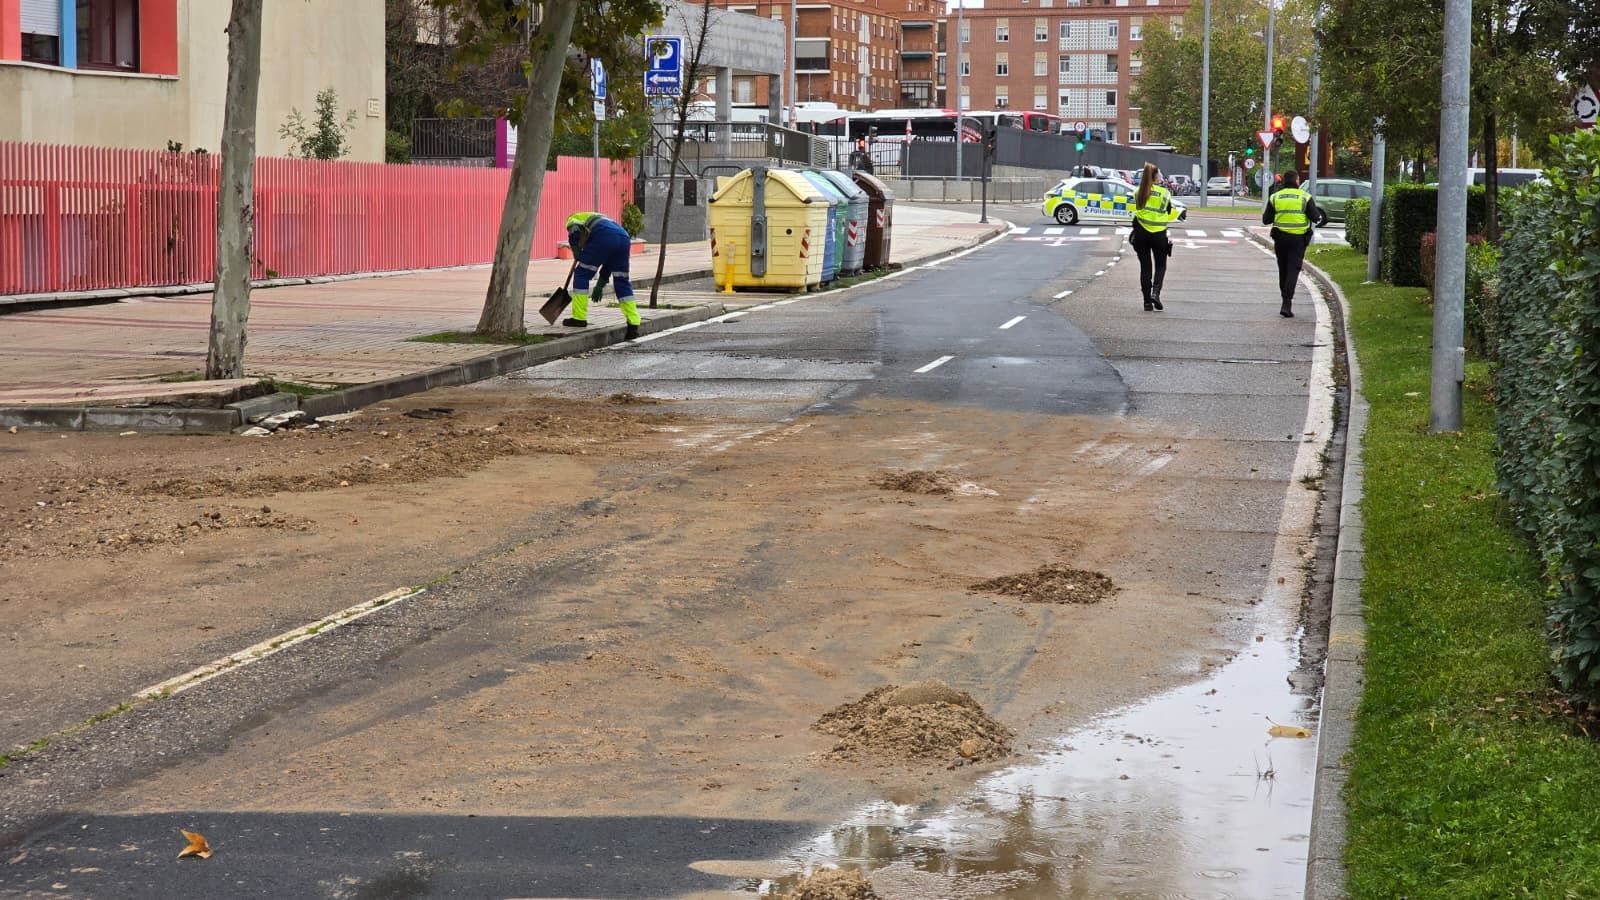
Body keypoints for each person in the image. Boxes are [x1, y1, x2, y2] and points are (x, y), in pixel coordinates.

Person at [562, 211, 640, 340]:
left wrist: (576, 251)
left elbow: (574, 231)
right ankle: (633, 324)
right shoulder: (601, 219)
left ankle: (579, 318)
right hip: (624, 238)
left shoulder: (573, 219)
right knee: (622, 280)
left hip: (604, 237)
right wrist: (601, 283)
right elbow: (609, 262)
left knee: (581, 274)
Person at [1262, 171, 1320, 318]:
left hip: (1280, 239)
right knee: (1293, 270)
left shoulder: (1275, 197)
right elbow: (1315, 217)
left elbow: (1266, 220)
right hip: (1298, 240)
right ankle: (1287, 303)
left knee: (1283, 269)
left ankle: (1284, 299)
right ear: (1297, 181)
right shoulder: (1304, 197)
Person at [1130, 161, 1183, 312]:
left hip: (1141, 233)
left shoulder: (1138, 192)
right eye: (1158, 174)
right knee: (1161, 266)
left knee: (1145, 268)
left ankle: (1147, 302)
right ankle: (1155, 293)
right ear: (1155, 176)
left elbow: (1138, 207)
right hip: (1159, 234)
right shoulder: (1164, 193)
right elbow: (1168, 211)